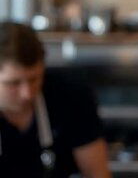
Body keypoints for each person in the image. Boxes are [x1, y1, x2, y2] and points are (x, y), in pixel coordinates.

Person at [0, 21, 111, 178]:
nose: (27, 93)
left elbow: (97, 174)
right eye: (13, 83)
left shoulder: (72, 97)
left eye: (34, 79)